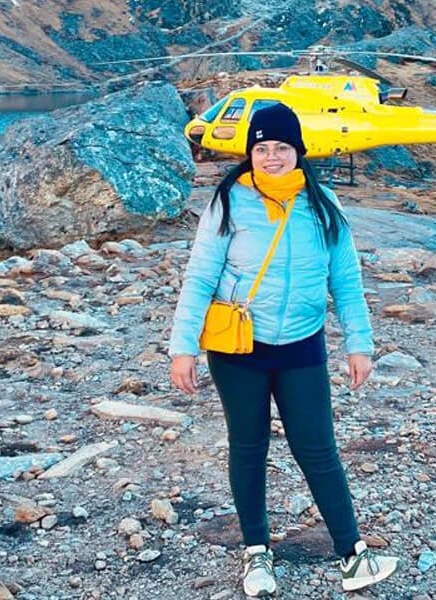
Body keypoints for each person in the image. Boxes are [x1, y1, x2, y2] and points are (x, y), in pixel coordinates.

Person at [167, 103, 399, 597]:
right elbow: (200, 277)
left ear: (299, 151)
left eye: (281, 147)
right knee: (249, 447)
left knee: (318, 448)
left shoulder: (323, 204)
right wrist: (182, 347)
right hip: (239, 348)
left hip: (302, 344)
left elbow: (346, 281)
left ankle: (353, 553)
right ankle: (257, 553)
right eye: (262, 149)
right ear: (250, 153)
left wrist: (359, 344)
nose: (271, 157)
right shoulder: (229, 201)